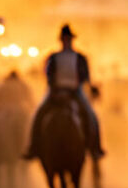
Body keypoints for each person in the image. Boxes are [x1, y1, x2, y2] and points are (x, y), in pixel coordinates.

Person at [23, 25, 105, 160]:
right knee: (38, 113)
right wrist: (54, 88)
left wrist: (81, 85)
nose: (66, 41)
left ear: (72, 40)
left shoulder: (80, 57)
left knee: (91, 115)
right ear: (61, 40)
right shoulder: (53, 57)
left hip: (75, 91)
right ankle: (33, 147)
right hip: (55, 92)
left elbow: (85, 76)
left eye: (68, 39)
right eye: (64, 39)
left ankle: (95, 148)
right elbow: (47, 74)